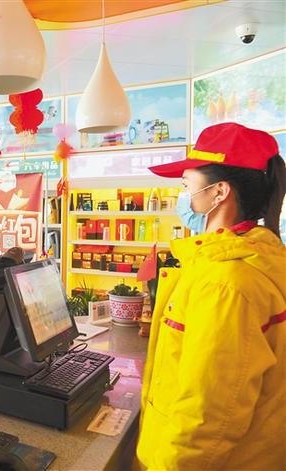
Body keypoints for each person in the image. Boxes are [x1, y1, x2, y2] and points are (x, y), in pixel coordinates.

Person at [137, 122, 285, 470]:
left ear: (219, 192)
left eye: (186, 185)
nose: (183, 196)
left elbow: (207, 420)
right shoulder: (244, 260)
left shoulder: (225, 283)